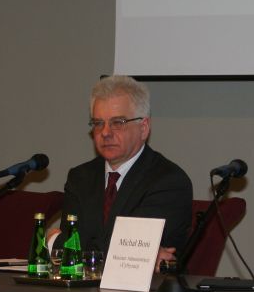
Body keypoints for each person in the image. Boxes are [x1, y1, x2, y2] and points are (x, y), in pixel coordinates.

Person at [52, 75, 192, 269]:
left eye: (118, 122)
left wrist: (53, 242)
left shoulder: (168, 182)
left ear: (143, 128)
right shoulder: (80, 178)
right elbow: (69, 254)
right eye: (98, 123)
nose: (105, 132)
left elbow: (125, 254)